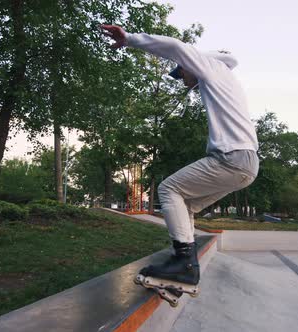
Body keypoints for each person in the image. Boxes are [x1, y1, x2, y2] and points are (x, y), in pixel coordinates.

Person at [101, 24, 259, 303]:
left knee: (168, 189)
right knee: (185, 203)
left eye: (181, 71)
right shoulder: (225, 81)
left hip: (231, 159)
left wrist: (130, 40)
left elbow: (176, 47)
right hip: (246, 164)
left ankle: (185, 264)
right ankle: (185, 267)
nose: (181, 78)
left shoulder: (210, 67)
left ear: (194, 64)